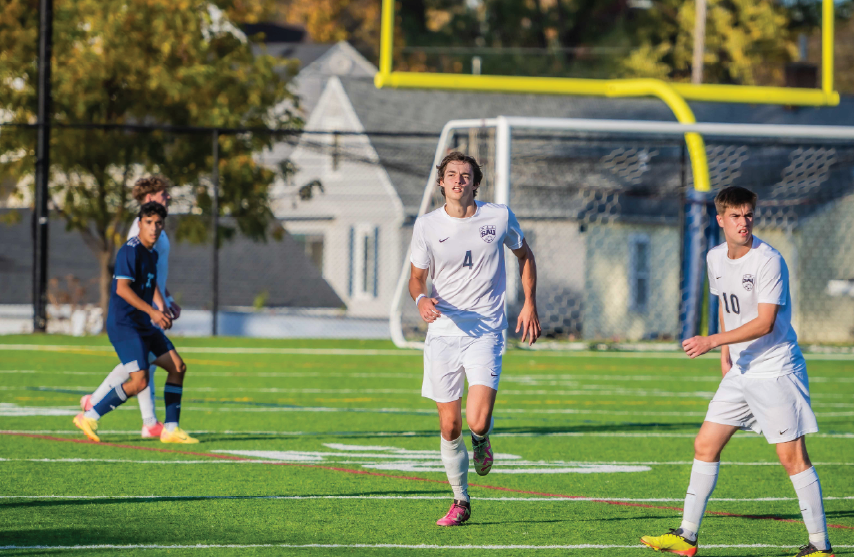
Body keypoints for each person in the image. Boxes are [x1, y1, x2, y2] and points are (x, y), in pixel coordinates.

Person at [640, 186, 832, 557]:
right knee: (705, 445)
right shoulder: (715, 257)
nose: (743, 223)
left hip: (775, 369)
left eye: (748, 215)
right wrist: (726, 354)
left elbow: (764, 322)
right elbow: (727, 307)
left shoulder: (768, 260)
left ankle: (821, 548)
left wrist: (712, 340)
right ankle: (687, 536)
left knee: (792, 458)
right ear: (720, 220)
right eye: (735, 216)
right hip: (741, 370)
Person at [408, 151, 540, 526]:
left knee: (477, 421)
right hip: (443, 332)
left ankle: (482, 441)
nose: (458, 181)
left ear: (475, 183)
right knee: (450, 427)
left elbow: (525, 255)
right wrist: (421, 300)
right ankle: (460, 501)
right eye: (451, 175)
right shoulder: (427, 226)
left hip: (486, 330)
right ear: (441, 182)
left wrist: (529, 303)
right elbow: (416, 278)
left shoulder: (497, 216)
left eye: (465, 176)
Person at [73, 201, 198, 444]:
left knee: (177, 367)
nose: (153, 227)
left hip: (142, 323)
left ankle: (171, 429)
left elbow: (151, 286)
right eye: (148, 222)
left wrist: (163, 305)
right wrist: (152, 311)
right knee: (140, 381)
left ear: (163, 226)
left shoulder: (152, 254)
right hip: (124, 325)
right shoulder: (130, 251)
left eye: (158, 223)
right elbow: (122, 289)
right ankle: (89, 416)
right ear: (139, 223)